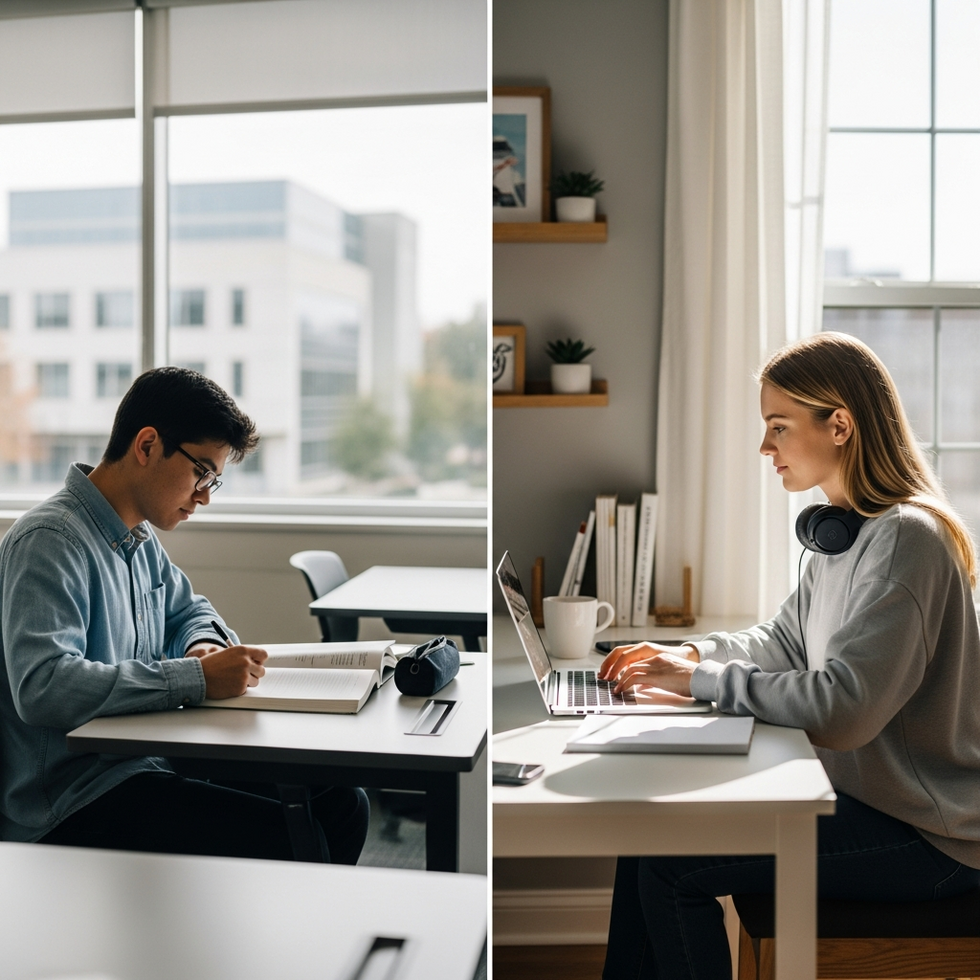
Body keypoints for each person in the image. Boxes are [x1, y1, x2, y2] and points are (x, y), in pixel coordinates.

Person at [599, 332, 980, 979]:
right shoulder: (843, 534)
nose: (764, 447)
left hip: (929, 835)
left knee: (671, 867)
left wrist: (701, 680)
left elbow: (843, 711)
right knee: (648, 834)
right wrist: (687, 653)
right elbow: (782, 641)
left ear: (840, 426)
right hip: (868, 804)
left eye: (778, 427)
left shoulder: (905, 540)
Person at [0, 366, 368, 864]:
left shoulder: (138, 537)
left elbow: (189, 611)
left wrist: (203, 646)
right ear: (147, 445)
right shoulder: (50, 540)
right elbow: (43, 687)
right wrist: (195, 678)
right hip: (72, 798)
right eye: (201, 472)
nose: (205, 496)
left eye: (214, 480)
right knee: (286, 838)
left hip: (146, 761)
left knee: (342, 805)